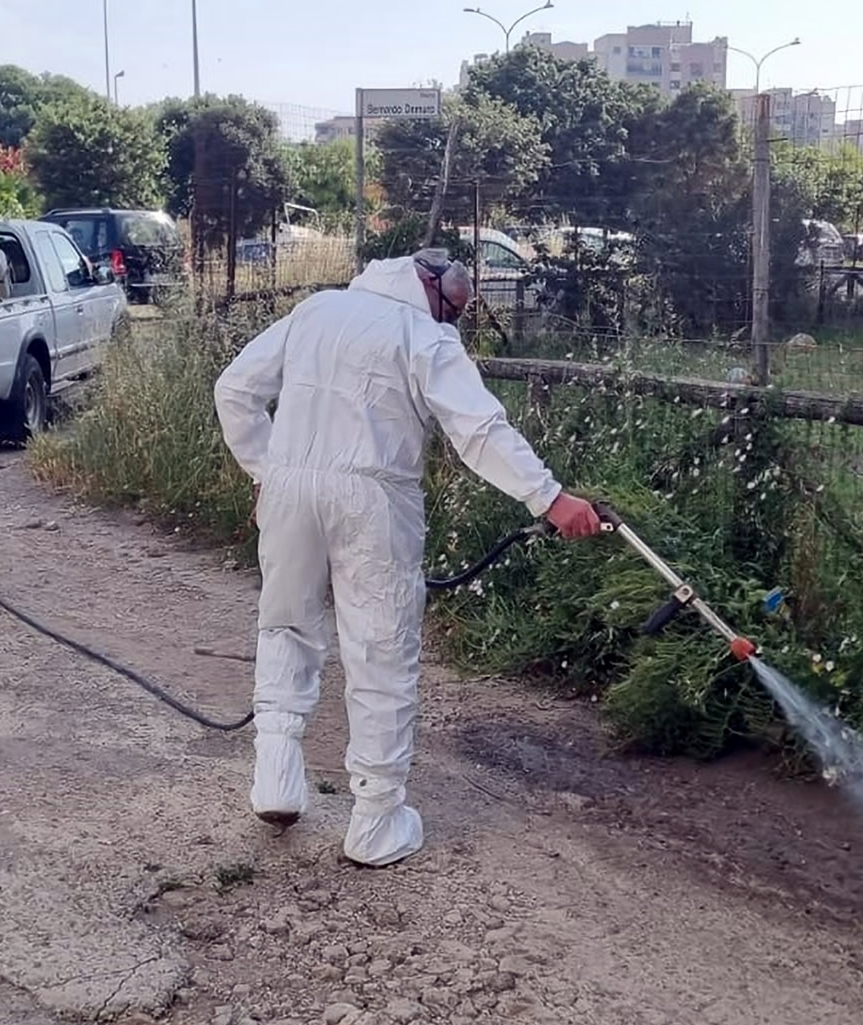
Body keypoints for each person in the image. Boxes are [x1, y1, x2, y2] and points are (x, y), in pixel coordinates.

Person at [212, 248, 602, 867]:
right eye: (454, 309)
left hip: (289, 489)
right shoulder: (422, 335)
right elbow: (479, 430)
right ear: (428, 285)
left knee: (287, 624)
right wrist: (550, 498)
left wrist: (267, 470)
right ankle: (376, 820)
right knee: (381, 648)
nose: (454, 323)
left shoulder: (317, 310)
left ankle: (277, 779)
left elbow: (234, 390)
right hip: (374, 497)